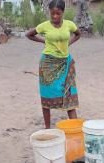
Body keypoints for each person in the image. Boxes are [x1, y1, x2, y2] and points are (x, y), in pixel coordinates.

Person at [25, 0, 81, 129]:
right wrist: (42, 41)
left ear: (63, 12)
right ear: (49, 12)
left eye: (58, 14)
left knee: (69, 94)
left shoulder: (69, 25)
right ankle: (47, 128)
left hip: (65, 63)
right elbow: (29, 34)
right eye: (52, 14)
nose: (55, 16)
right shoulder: (44, 26)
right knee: (47, 96)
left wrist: (69, 44)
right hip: (48, 65)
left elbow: (78, 34)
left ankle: (75, 128)